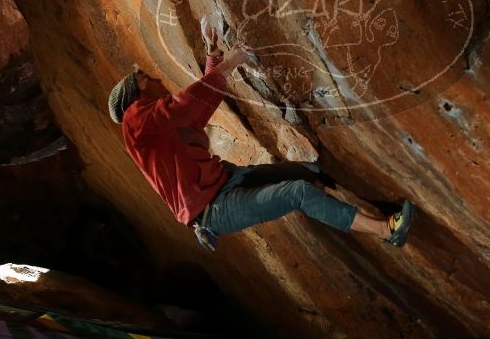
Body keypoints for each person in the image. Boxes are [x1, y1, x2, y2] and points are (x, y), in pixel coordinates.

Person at [107, 19, 414, 251]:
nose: (156, 78)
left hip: (226, 181)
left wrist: (213, 53)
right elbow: (185, 103)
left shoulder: (157, 129)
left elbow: (198, 109)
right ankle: (387, 231)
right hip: (213, 209)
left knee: (308, 172)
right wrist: (231, 63)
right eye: (146, 78)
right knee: (298, 192)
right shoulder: (135, 121)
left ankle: (377, 210)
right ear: (136, 93)